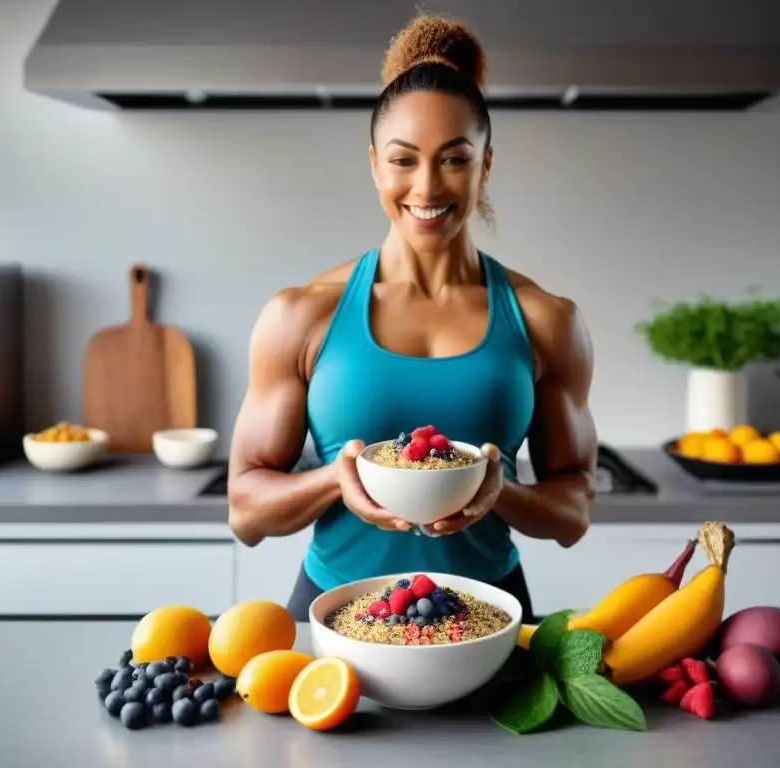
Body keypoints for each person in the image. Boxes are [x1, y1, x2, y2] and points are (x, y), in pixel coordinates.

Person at [226, 14, 598, 625]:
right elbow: (245, 511)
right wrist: (335, 480)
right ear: (375, 164)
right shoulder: (300, 316)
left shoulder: (546, 321)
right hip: (335, 615)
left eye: (454, 159)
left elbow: (574, 513)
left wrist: (499, 492)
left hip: (490, 617)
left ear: (486, 166)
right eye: (404, 160)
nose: (426, 186)